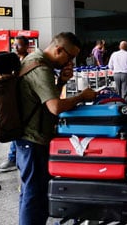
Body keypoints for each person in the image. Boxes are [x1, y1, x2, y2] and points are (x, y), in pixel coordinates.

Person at [16, 32, 97, 225]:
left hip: (30, 137)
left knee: (30, 191)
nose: (70, 62)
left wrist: (61, 81)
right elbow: (55, 107)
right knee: (34, 194)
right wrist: (81, 97)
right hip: (32, 139)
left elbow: (41, 99)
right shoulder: (40, 67)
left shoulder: (36, 61)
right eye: (69, 57)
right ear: (58, 49)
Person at [0, 35, 30, 173]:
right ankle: (13, 158)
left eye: (19, 45)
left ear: (27, 46)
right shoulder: (13, 61)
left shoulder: (29, 61)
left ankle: (13, 158)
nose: (16, 47)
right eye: (14, 45)